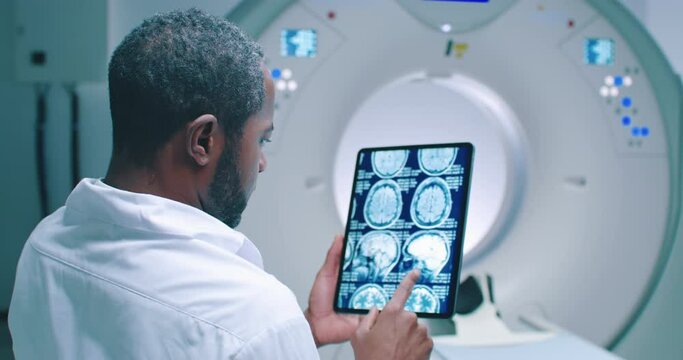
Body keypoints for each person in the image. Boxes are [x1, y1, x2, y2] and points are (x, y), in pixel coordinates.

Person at [8, 8, 433, 360]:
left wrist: (303, 334)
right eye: (261, 139)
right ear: (204, 141)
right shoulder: (254, 316)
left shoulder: (43, 247)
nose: (262, 163)